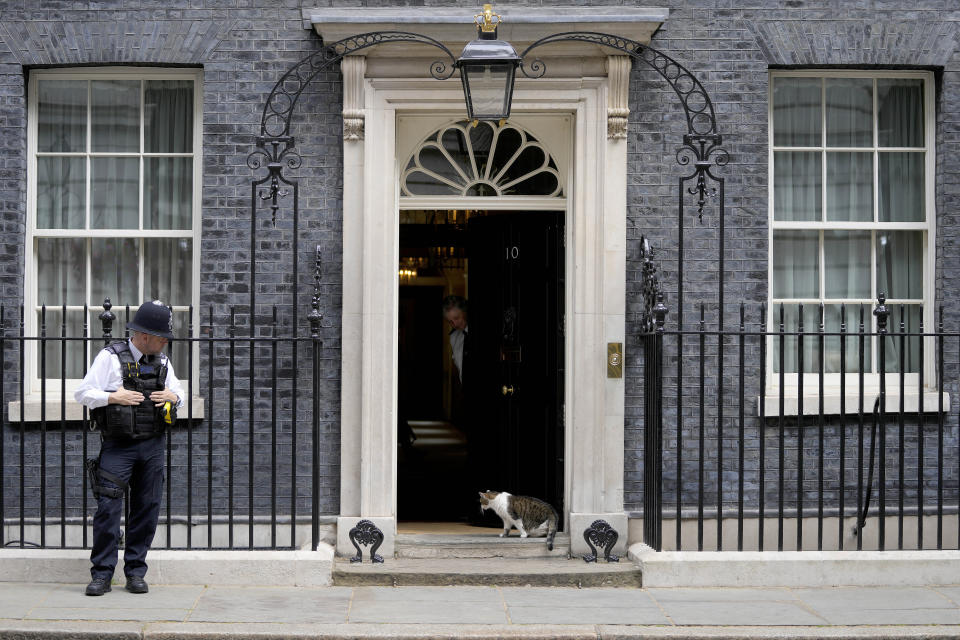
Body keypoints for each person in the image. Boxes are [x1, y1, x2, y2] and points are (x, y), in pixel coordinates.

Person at [75, 300, 183, 596]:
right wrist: (113, 398)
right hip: (118, 446)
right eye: (162, 338)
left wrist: (174, 397)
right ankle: (102, 575)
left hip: (153, 445)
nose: (165, 343)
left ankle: (135, 572)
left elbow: (180, 392)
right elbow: (83, 393)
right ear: (145, 335)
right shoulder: (109, 358)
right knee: (108, 510)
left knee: (146, 510)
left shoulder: (162, 362)